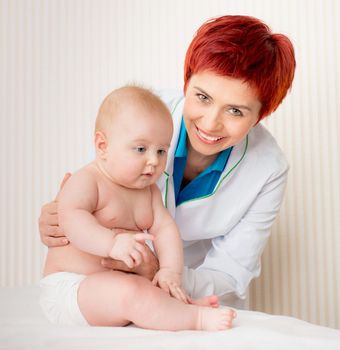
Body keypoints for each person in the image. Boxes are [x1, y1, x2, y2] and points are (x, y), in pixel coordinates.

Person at [39, 15, 296, 309]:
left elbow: (231, 272)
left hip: (194, 295)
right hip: (109, 284)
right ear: (186, 82)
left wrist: (160, 272)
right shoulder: (140, 113)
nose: (210, 123)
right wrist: (60, 218)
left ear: (260, 116)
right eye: (202, 97)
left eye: (235, 111)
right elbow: (95, 184)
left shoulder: (268, 169)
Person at [40, 85, 236, 330]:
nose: (154, 161)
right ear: (103, 146)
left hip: (111, 288)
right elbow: (71, 218)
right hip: (73, 289)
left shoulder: (149, 192)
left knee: (148, 287)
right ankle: (195, 319)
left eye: (161, 150)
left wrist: (169, 272)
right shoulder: (88, 181)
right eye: (141, 149)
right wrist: (111, 244)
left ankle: (179, 306)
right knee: (131, 292)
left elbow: (166, 230)